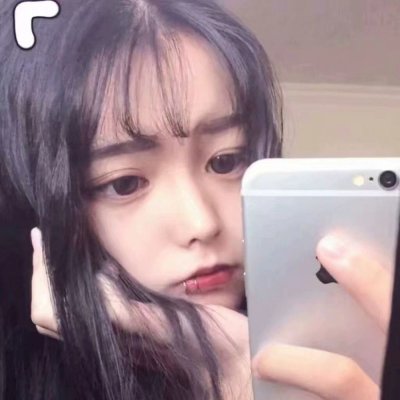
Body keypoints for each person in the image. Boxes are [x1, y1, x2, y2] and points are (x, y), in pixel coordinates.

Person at [0, 0, 394, 399]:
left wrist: (244, 367)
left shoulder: (355, 347)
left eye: (226, 161)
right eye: (124, 184)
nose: (201, 222)